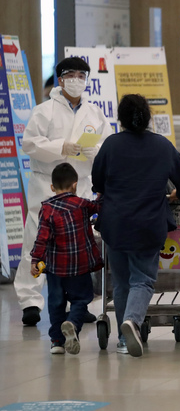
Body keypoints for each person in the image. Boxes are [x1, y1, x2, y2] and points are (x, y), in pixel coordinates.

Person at [91, 94, 180, 357]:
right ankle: (132, 322)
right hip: (148, 223)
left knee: (122, 282)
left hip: (115, 223)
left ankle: (124, 341)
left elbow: (97, 181)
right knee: (143, 280)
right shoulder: (162, 146)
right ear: (148, 118)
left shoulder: (111, 145)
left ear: (121, 119)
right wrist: (176, 194)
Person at [16, 57, 112, 327]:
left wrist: (94, 152)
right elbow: (30, 144)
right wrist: (62, 147)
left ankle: (78, 302)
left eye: (82, 75)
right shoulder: (44, 110)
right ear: (60, 79)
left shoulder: (94, 113)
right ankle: (30, 301)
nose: (77, 79)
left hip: (79, 186)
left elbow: (105, 146)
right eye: (72, 74)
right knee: (36, 242)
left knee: (78, 245)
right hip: (47, 186)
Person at [30, 163, 103, 355]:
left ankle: (56, 342)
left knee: (56, 303)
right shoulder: (81, 204)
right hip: (79, 266)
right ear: (75, 185)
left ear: (52, 187)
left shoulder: (47, 209)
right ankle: (72, 323)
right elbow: (99, 206)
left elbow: (41, 239)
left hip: (55, 268)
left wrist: (35, 261)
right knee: (81, 299)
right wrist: (102, 194)